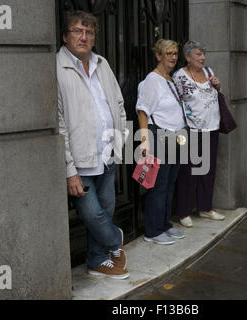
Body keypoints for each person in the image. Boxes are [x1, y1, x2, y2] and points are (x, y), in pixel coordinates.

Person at [57, 11, 129, 279]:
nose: (83, 37)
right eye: (77, 31)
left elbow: (118, 105)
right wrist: (69, 169)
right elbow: (59, 123)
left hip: (108, 156)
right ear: (65, 36)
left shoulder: (102, 64)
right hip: (81, 161)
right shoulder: (57, 69)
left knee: (106, 210)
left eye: (88, 32)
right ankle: (114, 241)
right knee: (94, 216)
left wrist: (120, 146)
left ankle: (96, 260)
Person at [136, 39, 187, 245]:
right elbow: (142, 111)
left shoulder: (170, 79)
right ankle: (153, 230)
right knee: (158, 185)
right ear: (158, 56)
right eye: (169, 53)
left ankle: (164, 224)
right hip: (159, 136)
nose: (173, 57)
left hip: (175, 137)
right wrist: (145, 141)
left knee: (169, 183)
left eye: (175, 53)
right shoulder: (152, 80)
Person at [173, 40, 225, 228]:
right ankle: (184, 212)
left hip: (212, 127)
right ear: (187, 57)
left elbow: (215, 95)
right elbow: (175, 101)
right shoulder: (180, 76)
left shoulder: (209, 72)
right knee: (189, 172)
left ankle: (205, 208)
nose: (202, 57)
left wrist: (218, 86)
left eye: (203, 53)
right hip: (192, 129)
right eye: (198, 54)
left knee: (208, 170)